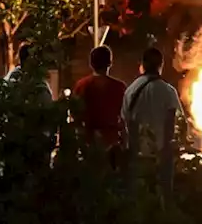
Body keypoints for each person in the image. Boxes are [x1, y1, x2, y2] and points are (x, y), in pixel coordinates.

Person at [122, 47, 183, 200]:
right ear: (161, 66)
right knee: (163, 196)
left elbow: (125, 121)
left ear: (142, 65)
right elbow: (175, 123)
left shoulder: (131, 90)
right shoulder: (168, 91)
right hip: (161, 155)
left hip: (137, 154)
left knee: (138, 197)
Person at [73, 46, 126, 165]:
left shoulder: (81, 86)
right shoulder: (119, 87)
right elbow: (124, 116)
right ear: (110, 63)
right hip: (111, 142)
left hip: (88, 141)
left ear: (91, 63)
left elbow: (76, 114)